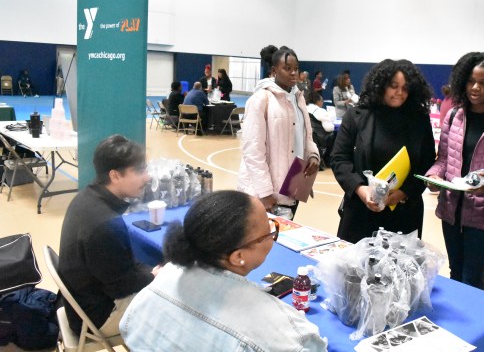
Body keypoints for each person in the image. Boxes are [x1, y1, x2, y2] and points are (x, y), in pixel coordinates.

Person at [120, 191, 328, 351]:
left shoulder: (166, 275)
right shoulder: (287, 329)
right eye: (268, 233)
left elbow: (126, 327)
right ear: (238, 257)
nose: (272, 237)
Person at [424, 53, 484, 290]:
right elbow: (444, 159)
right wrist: (433, 176)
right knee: (455, 271)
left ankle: (473, 325)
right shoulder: (455, 115)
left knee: (473, 276)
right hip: (451, 210)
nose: (475, 88)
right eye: (470, 81)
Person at [58, 135, 157, 336]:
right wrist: (153, 275)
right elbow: (121, 288)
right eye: (139, 171)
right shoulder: (105, 224)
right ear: (115, 176)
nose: (147, 177)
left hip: (82, 302)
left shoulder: (86, 197)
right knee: (174, 307)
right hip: (96, 317)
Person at [330, 59, 436, 243]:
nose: (399, 93)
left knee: (400, 269)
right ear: (380, 86)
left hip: (404, 213)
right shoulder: (356, 116)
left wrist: (404, 192)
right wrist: (361, 190)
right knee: (357, 269)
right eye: (393, 86)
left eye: (405, 87)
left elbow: (426, 163)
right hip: (361, 212)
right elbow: (339, 159)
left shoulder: (419, 120)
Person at [238, 47, 320, 216]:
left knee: (285, 236)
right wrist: (265, 192)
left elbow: (307, 136)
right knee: (265, 240)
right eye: (287, 68)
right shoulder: (261, 99)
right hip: (267, 194)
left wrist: (312, 155)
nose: (293, 73)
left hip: (293, 185)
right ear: (274, 70)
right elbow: (253, 150)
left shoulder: (298, 98)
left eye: (296, 68)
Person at [306, 91, 335, 168]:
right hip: (319, 137)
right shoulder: (320, 111)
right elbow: (329, 128)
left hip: (306, 137)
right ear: (318, 101)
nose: (322, 103)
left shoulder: (304, 108)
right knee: (334, 135)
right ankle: (328, 159)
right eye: (322, 101)